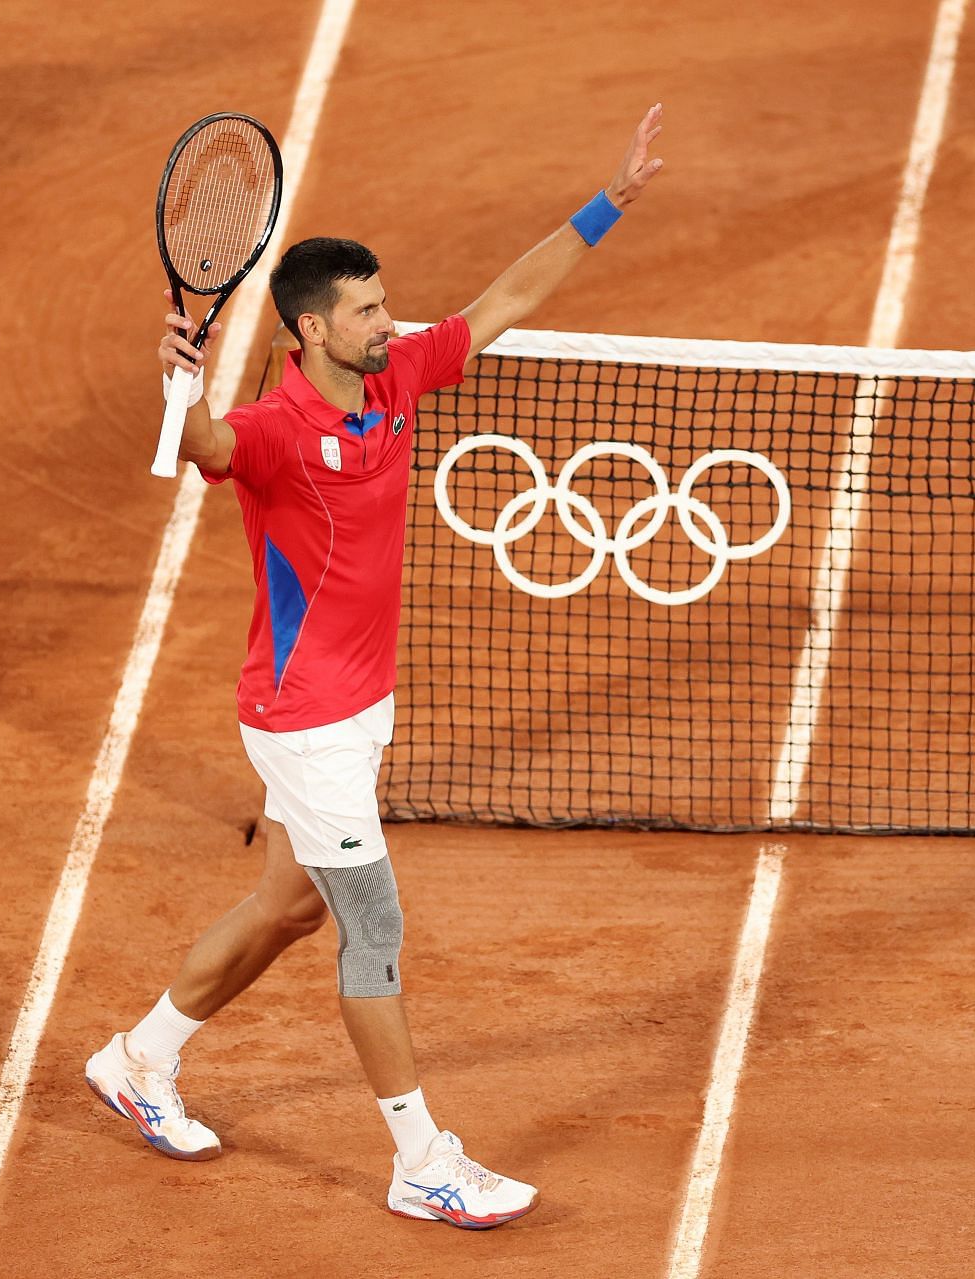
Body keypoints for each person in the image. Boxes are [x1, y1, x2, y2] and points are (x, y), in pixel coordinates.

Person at [86, 105, 665, 1230]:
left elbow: (505, 300)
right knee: (374, 928)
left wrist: (611, 200)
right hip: (303, 719)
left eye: (385, 301)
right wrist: (179, 382)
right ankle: (422, 1159)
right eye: (366, 310)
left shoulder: (396, 379)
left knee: (290, 907)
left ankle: (137, 1059)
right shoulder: (272, 428)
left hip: (354, 710)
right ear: (308, 329)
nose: (388, 321)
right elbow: (206, 449)